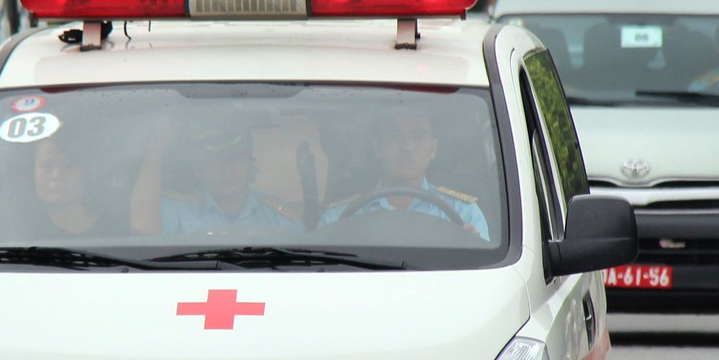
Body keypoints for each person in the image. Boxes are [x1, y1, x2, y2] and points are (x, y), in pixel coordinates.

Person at [324, 106, 487, 239]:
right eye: (394, 135)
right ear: (376, 148)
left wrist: (470, 248)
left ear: (433, 148)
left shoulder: (465, 213)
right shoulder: (338, 218)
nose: (406, 147)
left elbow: (482, 273)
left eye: (418, 136)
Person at [130, 122, 297, 235]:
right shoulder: (177, 211)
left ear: (250, 162)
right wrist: (156, 148)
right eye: (213, 162)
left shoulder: (278, 218)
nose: (227, 170)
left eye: (235, 158)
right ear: (197, 169)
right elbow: (143, 230)